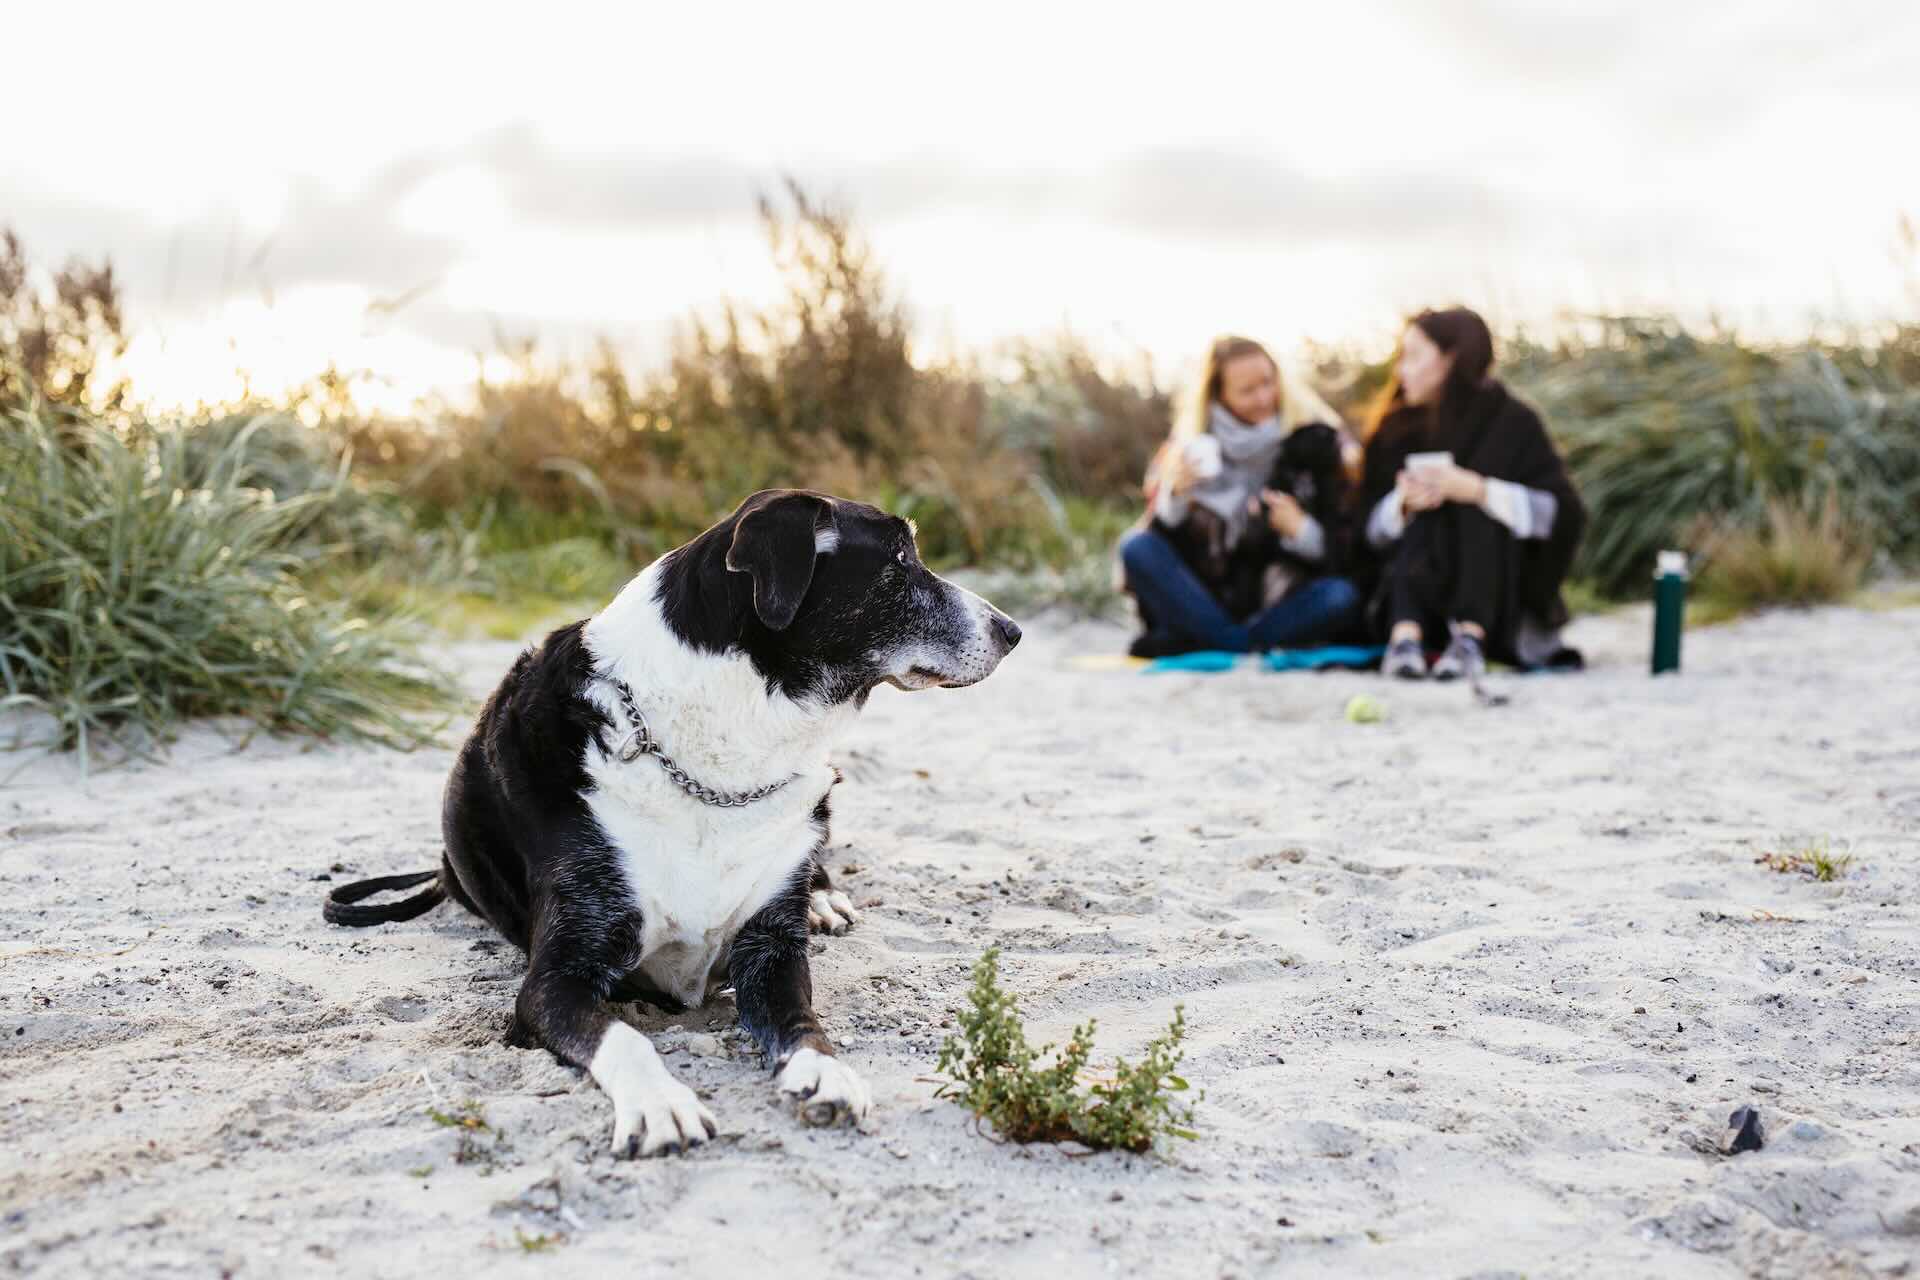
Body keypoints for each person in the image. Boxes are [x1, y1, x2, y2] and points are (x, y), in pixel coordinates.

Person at [1356, 308, 1587, 681]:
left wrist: (1480, 490)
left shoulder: (1515, 422)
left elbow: (1563, 516)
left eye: (1413, 357)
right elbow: (1365, 532)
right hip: (1410, 596)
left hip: (1504, 604)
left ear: (1451, 359)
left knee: (1472, 501)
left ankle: (1470, 636)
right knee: (1427, 502)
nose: (1401, 371)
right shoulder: (1395, 428)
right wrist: (1401, 505)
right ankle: (1406, 638)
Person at [1118, 335, 1362, 657]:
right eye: (1247, 391)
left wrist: (1300, 530)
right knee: (1135, 547)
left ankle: (1215, 641)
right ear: (1218, 396)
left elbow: (1345, 551)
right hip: (1206, 598)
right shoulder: (1188, 446)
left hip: (1278, 603)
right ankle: (1236, 641)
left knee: (1341, 595)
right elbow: (1161, 543)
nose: (1263, 398)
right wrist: (1174, 495)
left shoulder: (1317, 440)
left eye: (1267, 383)